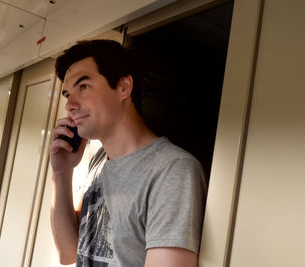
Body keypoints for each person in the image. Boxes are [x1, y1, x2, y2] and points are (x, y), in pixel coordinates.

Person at [49, 39, 207, 267]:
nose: (70, 105)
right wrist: (61, 174)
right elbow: (68, 253)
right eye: (67, 94)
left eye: (83, 87)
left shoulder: (173, 170)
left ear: (124, 87)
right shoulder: (99, 161)